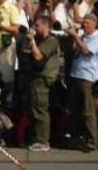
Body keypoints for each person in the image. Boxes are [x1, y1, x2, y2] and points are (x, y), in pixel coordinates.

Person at [19, 15, 60, 152]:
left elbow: (38, 57)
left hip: (43, 79)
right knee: (31, 109)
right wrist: (28, 40)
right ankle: (35, 138)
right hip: (32, 77)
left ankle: (43, 141)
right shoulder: (37, 40)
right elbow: (25, 52)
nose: (35, 28)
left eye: (37, 25)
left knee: (40, 110)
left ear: (45, 25)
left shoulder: (51, 41)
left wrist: (33, 42)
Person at [67, 14, 98, 152]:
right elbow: (75, 53)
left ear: (95, 23)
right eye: (84, 23)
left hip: (88, 77)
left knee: (88, 111)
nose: (85, 25)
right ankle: (78, 138)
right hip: (76, 74)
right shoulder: (83, 36)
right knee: (76, 110)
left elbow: (86, 51)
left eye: (88, 23)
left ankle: (93, 141)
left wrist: (76, 36)